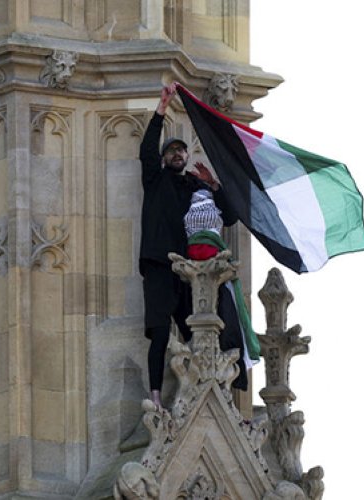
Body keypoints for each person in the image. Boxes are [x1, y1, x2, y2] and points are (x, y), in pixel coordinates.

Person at [138, 84, 238, 409]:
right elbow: (146, 151)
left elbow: (231, 216)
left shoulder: (196, 185)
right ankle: (155, 397)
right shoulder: (156, 180)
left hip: (192, 270)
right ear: (165, 158)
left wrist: (214, 184)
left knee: (198, 331)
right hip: (159, 265)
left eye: (182, 151)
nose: (178, 154)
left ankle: (209, 395)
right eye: (172, 151)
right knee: (158, 333)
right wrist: (162, 107)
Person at [183, 184, 260, 390]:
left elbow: (232, 215)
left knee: (229, 323)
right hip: (192, 272)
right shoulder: (182, 192)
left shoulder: (216, 200)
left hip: (212, 270)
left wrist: (216, 187)